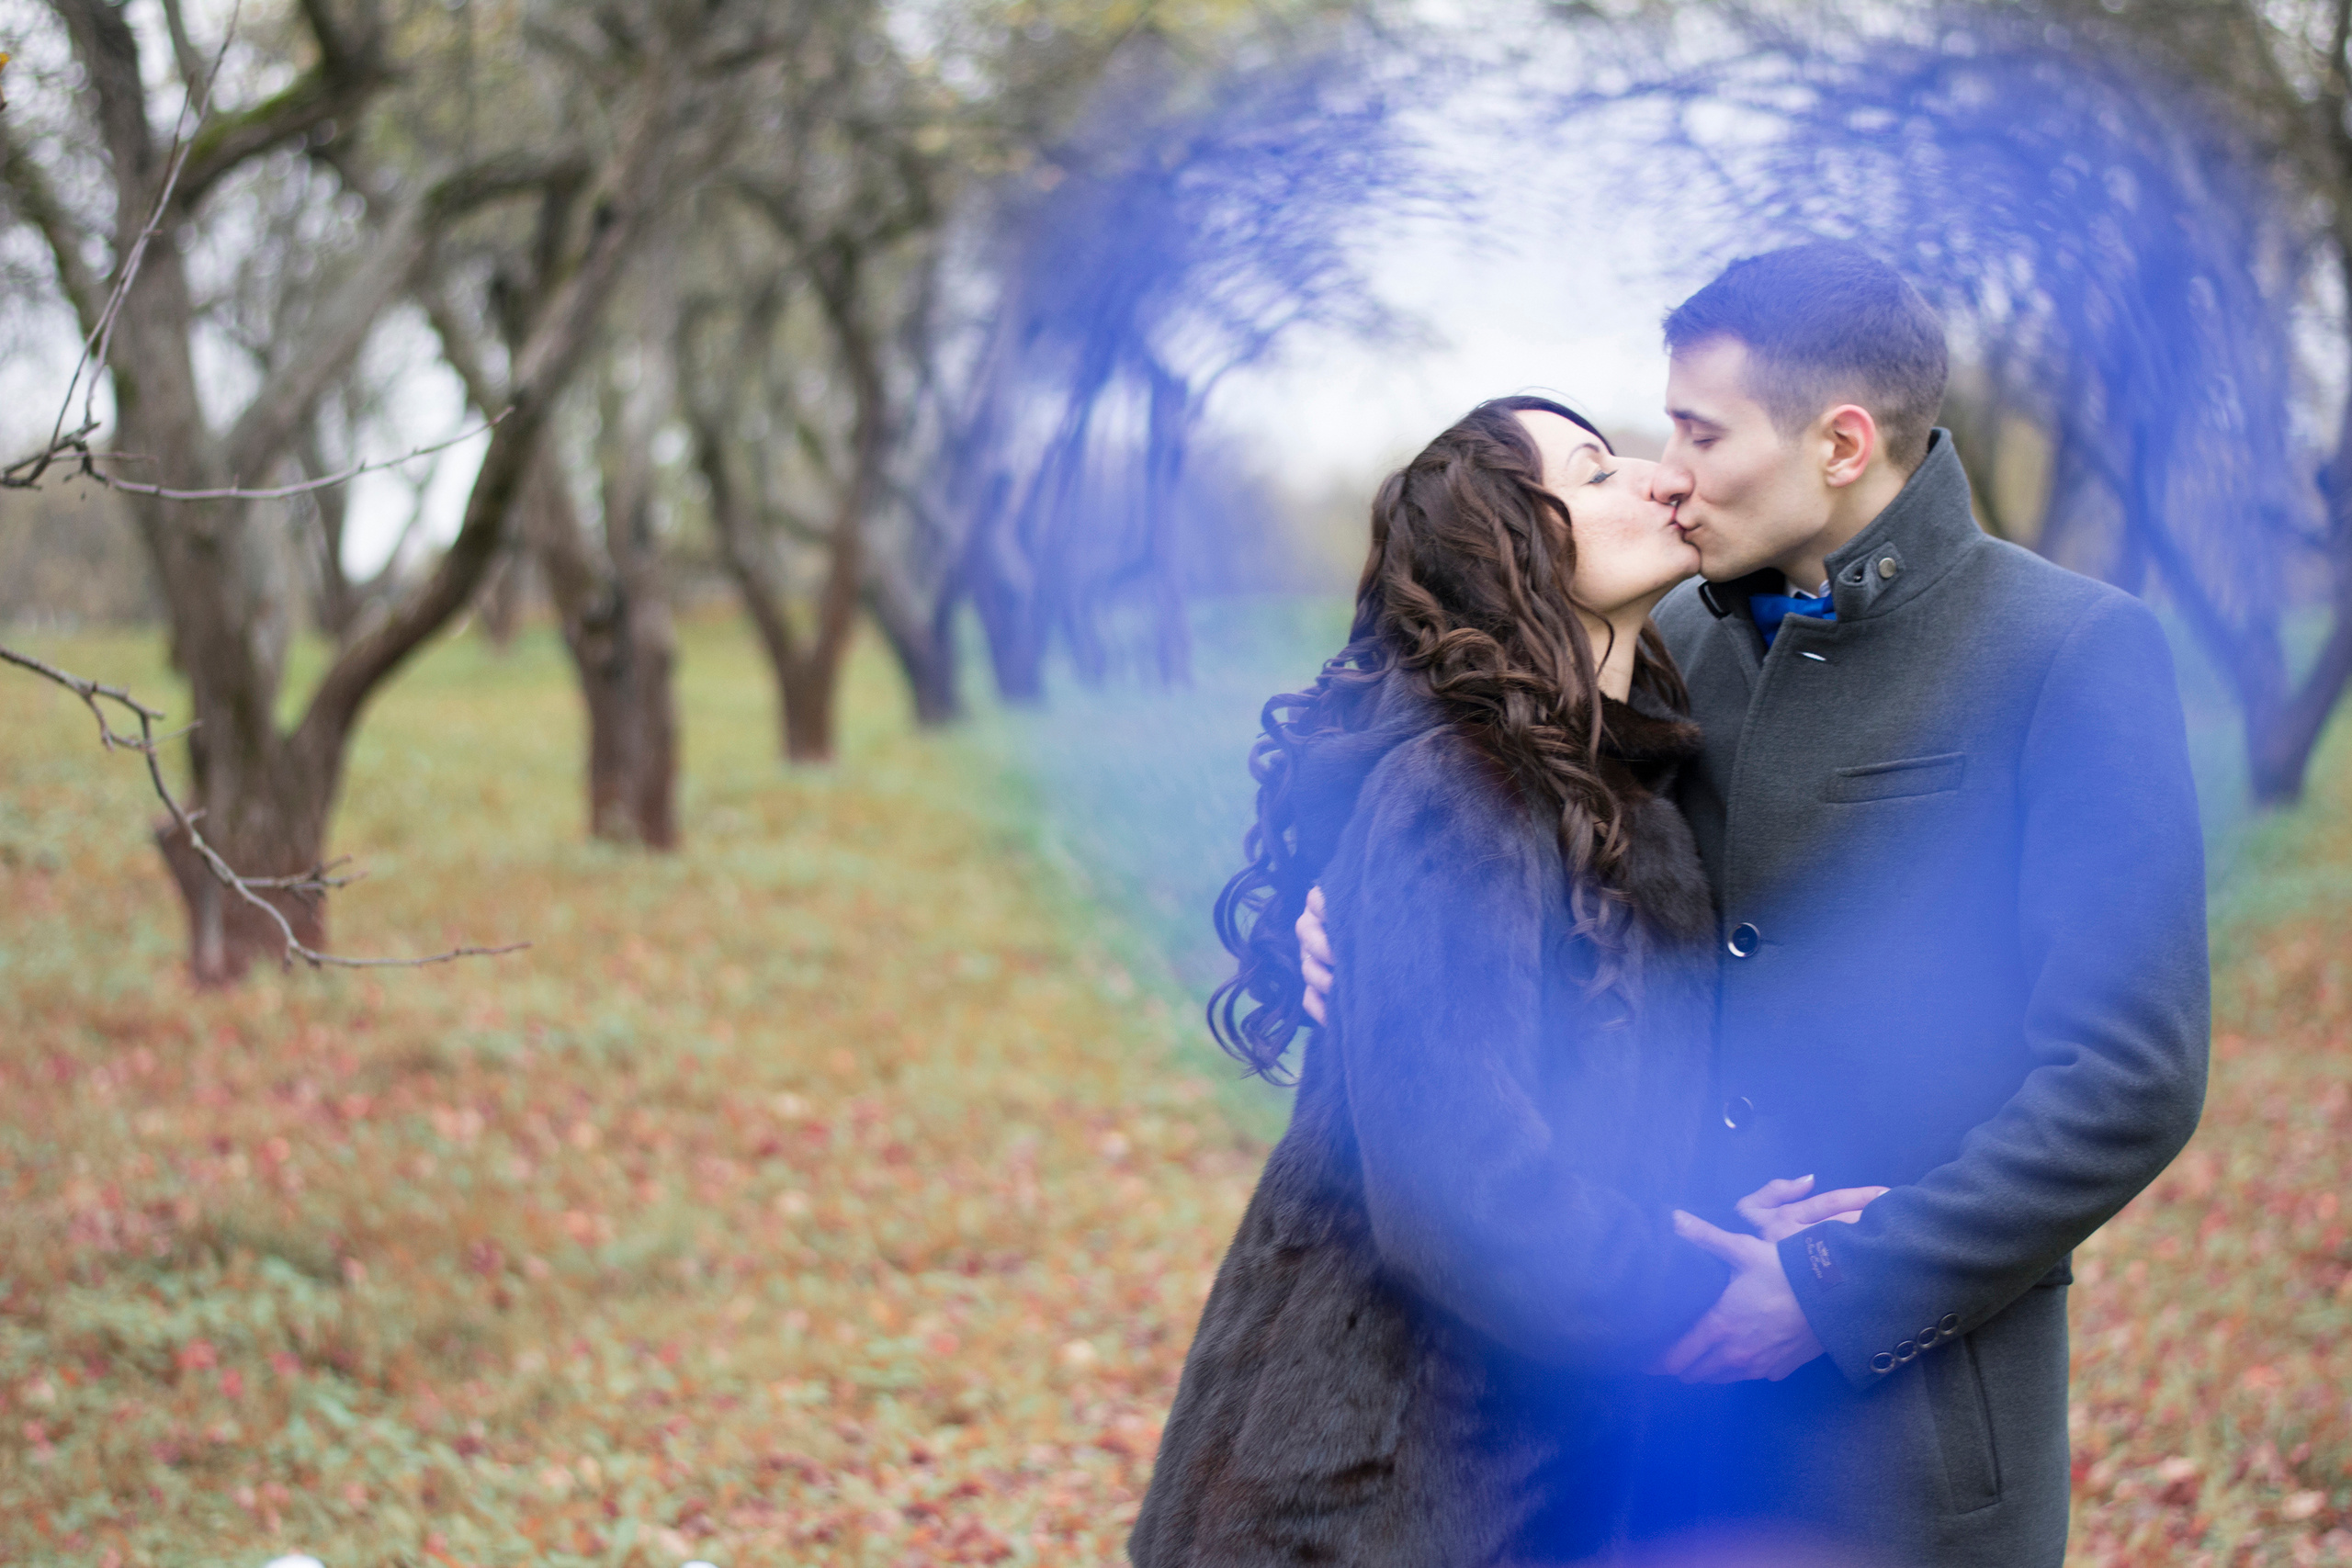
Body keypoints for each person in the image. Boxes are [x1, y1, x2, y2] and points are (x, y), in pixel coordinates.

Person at [1297, 243, 2211, 1567]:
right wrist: (1348, 904)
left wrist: (1837, 1285)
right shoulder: (1671, 645)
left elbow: (2132, 1077)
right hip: (1642, 1424)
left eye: (1702, 432)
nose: (1668, 469)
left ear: (1840, 443)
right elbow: (1494, 817)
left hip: (1916, 1440)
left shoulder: (2066, 649)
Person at [1128, 396, 1867, 1568]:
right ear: (1510, 546)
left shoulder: (1636, 800)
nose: (1658, 477)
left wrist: (1729, 1224)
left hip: (1539, 1469)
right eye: (1595, 473)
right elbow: (1457, 1178)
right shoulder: (1456, 787)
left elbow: (1608, 1105)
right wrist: (1696, 1289)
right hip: (1361, 1481)